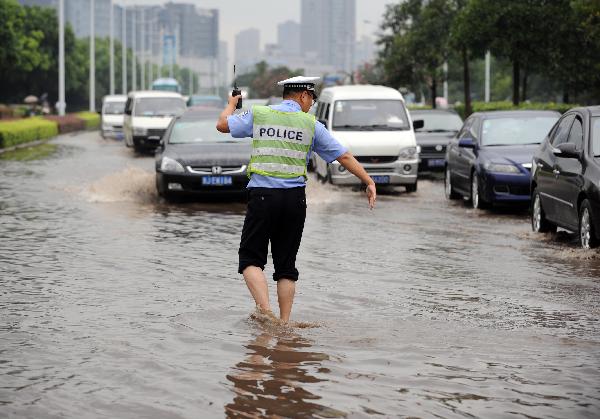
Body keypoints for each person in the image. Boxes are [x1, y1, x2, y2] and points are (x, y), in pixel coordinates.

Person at [216, 76, 376, 323]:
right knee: (286, 267)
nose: (311, 104)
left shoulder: (261, 114)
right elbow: (343, 157)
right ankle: (284, 323)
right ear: (303, 95)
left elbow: (223, 125)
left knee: (250, 259)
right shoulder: (311, 124)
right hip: (294, 201)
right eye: (311, 98)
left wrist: (231, 103)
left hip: (262, 197)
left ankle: (266, 312)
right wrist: (368, 181)